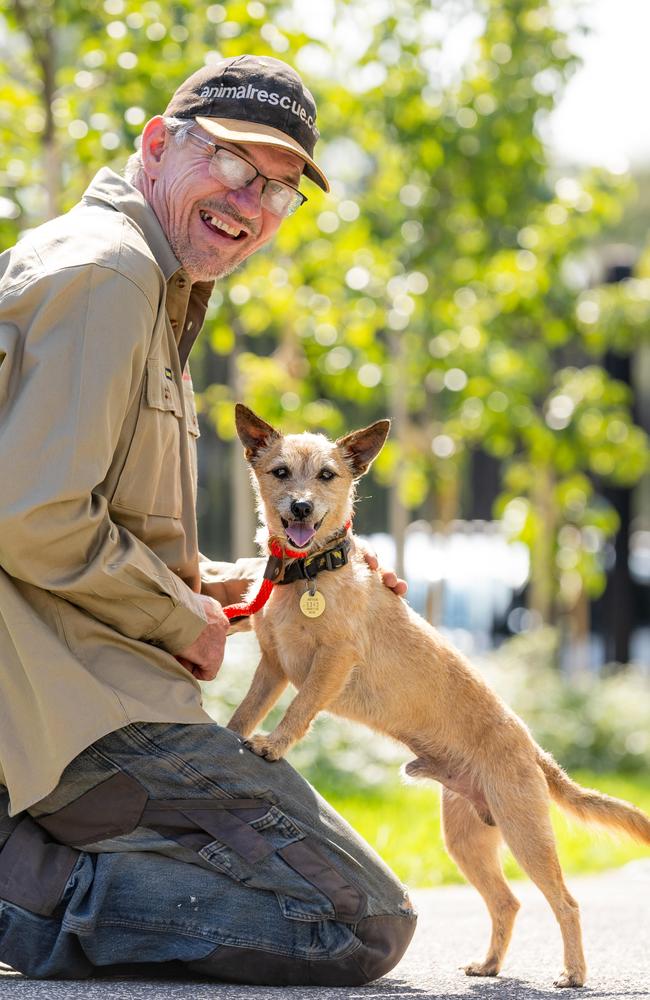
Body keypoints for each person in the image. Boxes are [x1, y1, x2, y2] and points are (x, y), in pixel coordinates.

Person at [0, 55, 416, 984]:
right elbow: (31, 519)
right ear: (157, 143)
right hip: (73, 708)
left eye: (278, 188)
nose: (253, 202)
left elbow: (82, 512)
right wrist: (180, 616)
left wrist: (222, 582)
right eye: (233, 165)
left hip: (77, 682)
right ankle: (20, 882)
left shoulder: (147, 280)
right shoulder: (110, 278)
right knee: (354, 920)